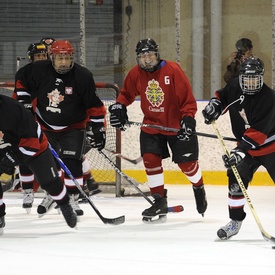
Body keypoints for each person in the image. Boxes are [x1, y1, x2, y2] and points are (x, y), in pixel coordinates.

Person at [108, 38, 207, 223]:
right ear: (138, 58)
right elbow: (126, 94)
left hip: (176, 127)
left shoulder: (172, 70)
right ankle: (159, 201)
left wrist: (188, 119)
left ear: (157, 54)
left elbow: (187, 100)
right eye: (143, 56)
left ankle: (199, 187)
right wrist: (119, 106)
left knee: (188, 166)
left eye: (150, 55)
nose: (147, 60)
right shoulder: (136, 73)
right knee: (151, 161)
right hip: (151, 126)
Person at [16, 39, 106, 217]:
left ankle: (72, 198)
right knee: (48, 164)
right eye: (59, 58)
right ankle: (54, 194)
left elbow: (94, 106)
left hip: (73, 127)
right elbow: (21, 79)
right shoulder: (39, 70)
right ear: (52, 58)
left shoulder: (82, 76)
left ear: (72, 57)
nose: (63, 62)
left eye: (67, 58)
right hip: (45, 126)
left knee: (72, 163)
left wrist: (98, 129)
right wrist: (24, 102)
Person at [202, 56, 275, 240]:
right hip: (247, 149)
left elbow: (258, 133)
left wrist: (239, 152)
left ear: (261, 78)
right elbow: (222, 97)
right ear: (241, 77)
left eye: (254, 79)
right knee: (235, 178)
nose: (250, 83)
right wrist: (214, 107)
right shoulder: (234, 86)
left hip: (271, 148)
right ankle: (235, 222)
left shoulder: (269, 98)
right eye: (247, 79)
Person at [0, 94, 77, 235]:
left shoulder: (13, 109)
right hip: (5, 146)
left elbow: (31, 144)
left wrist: (13, 157)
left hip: (33, 146)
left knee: (50, 183)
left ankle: (65, 204)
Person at [13, 42, 48, 213]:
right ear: (31, 58)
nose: (41, 58)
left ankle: (52, 192)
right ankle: (27, 192)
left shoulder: (54, 72)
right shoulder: (23, 73)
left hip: (48, 120)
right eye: (37, 56)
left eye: (43, 56)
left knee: (50, 158)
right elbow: (20, 98)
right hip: (26, 119)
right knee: (25, 156)